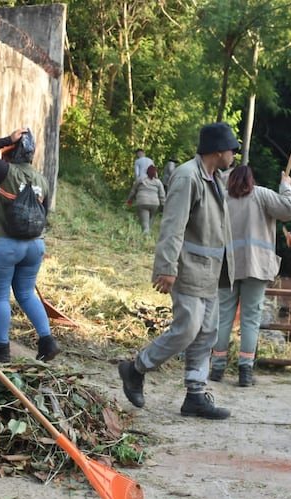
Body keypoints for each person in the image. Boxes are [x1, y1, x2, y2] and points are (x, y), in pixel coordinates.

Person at [118, 122, 238, 420]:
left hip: (210, 273)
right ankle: (136, 368)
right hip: (188, 270)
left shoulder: (215, 178)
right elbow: (172, 226)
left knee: (206, 334)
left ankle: (195, 395)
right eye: (232, 149)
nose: (235, 154)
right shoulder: (187, 176)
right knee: (187, 329)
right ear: (218, 150)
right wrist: (166, 268)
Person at [0, 128, 60, 364]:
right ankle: (47, 341)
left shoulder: (6, 172)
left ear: (10, 152)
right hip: (34, 247)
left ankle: (1, 347)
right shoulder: (42, 179)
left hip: (3, 244)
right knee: (25, 293)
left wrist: (5, 140)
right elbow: (44, 213)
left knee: (0, 296)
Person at [210, 165, 291, 386]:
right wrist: (285, 187)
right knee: (250, 319)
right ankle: (245, 371)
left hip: (227, 266)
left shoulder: (223, 199)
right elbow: (289, 210)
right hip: (257, 267)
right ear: (252, 179)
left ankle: (217, 368)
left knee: (223, 318)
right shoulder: (262, 195)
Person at [126, 164, 166, 235]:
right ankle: (147, 236)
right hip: (155, 204)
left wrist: (129, 201)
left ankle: (146, 237)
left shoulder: (140, 179)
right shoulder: (158, 182)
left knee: (145, 223)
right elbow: (162, 195)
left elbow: (133, 191)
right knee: (149, 222)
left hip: (142, 202)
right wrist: (163, 206)